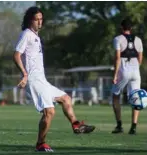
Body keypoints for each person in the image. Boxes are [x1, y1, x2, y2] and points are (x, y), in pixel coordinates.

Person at [13, 6, 95, 152]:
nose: (39, 22)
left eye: (41, 19)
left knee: (66, 99)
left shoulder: (36, 36)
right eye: (36, 19)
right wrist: (25, 74)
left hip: (42, 80)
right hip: (33, 80)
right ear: (30, 20)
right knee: (49, 112)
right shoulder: (26, 34)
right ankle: (41, 143)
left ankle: (76, 124)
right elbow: (16, 55)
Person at [111, 18, 144, 135]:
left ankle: (119, 125)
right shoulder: (139, 40)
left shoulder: (117, 39)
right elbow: (140, 57)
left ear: (121, 27)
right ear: (132, 28)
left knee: (115, 96)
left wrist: (115, 75)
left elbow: (118, 58)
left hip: (123, 70)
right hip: (136, 71)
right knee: (136, 98)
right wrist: (136, 68)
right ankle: (133, 127)